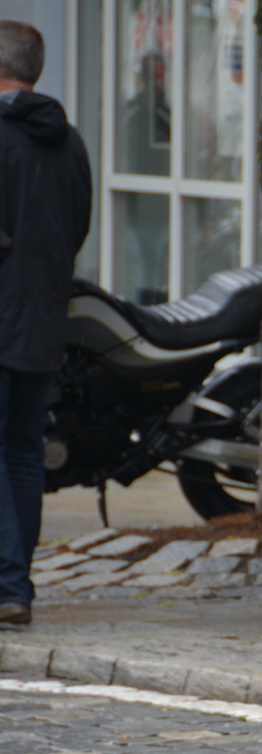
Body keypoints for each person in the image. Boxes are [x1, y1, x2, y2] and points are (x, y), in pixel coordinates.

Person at [0, 20, 91, 627]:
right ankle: (16, 586)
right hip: (43, 316)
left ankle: (8, 584)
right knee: (24, 452)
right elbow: (78, 223)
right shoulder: (69, 139)